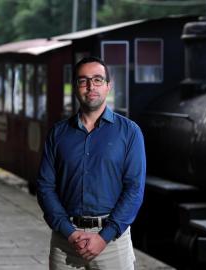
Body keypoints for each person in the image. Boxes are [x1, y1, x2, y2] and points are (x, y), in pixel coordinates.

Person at [37, 56, 146, 270]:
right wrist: (69, 232)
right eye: (83, 80)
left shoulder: (130, 132)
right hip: (66, 240)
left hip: (113, 242)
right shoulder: (58, 134)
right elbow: (44, 186)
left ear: (108, 86)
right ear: (76, 87)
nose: (90, 86)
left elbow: (134, 189)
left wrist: (104, 237)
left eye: (97, 80)